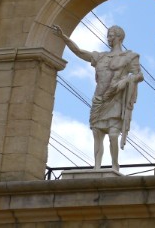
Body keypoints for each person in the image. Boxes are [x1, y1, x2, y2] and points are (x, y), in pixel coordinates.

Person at [53, 24, 143, 171]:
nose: (108, 38)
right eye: (108, 35)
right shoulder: (100, 57)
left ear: (119, 37)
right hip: (99, 99)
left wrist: (126, 80)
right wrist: (63, 37)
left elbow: (139, 75)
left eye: (111, 35)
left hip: (115, 98)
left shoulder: (129, 57)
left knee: (113, 134)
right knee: (97, 134)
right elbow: (79, 52)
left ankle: (115, 165)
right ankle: (96, 167)